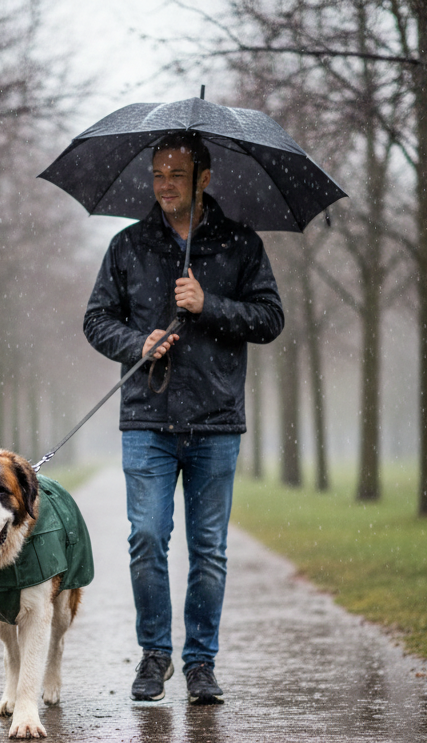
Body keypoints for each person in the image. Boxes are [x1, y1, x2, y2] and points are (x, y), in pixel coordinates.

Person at [83, 131, 284, 704]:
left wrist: (208, 304)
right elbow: (96, 320)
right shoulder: (128, 247)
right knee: (147, 537)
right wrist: (135, 342)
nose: (164, 184)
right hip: (146, 418)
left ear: (204, 178)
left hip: (216, 421)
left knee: (209, 548)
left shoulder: (241, 246)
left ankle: (201, 664)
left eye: (175, 173)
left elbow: (270, 318)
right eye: (157, 174)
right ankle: (154, 655)